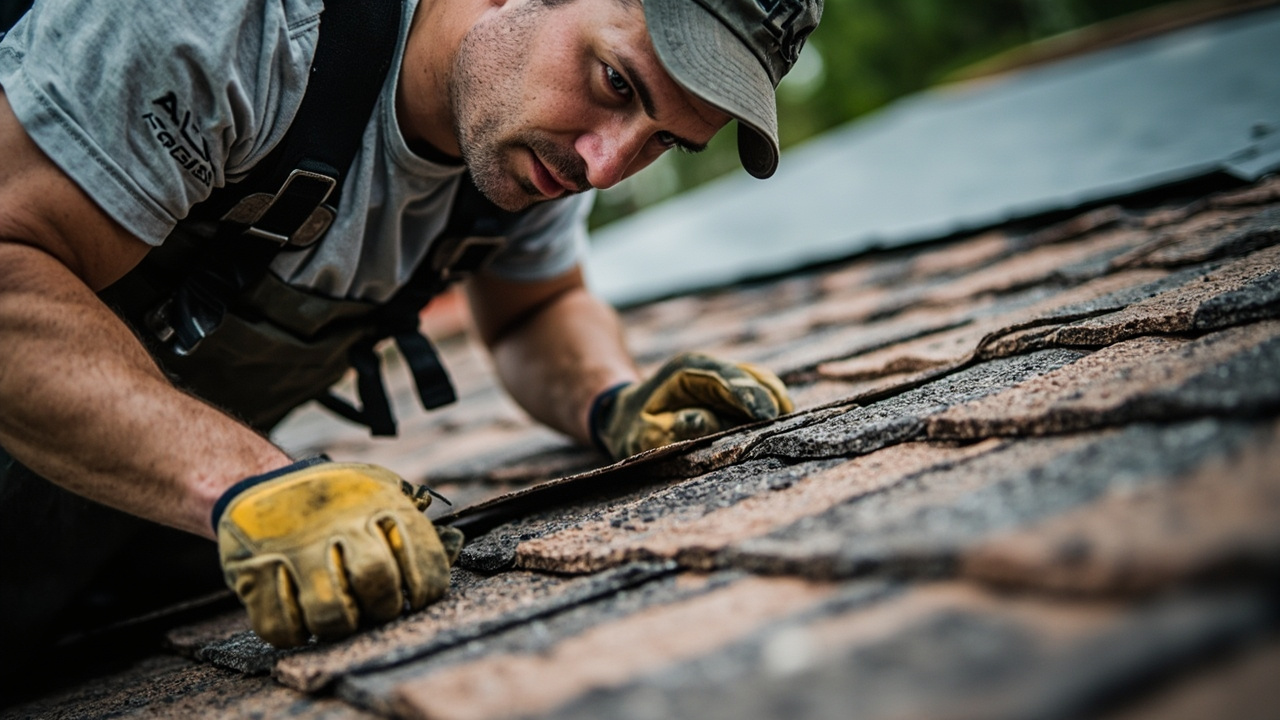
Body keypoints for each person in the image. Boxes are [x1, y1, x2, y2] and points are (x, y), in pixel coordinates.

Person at [0, 0, 822, 650]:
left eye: (665, 142)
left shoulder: (523, 139)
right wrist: (240, 482)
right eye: (616, 83)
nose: (604, 165)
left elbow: (537, 307)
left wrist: (612, 399)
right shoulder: (238, 25)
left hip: (89, 577)